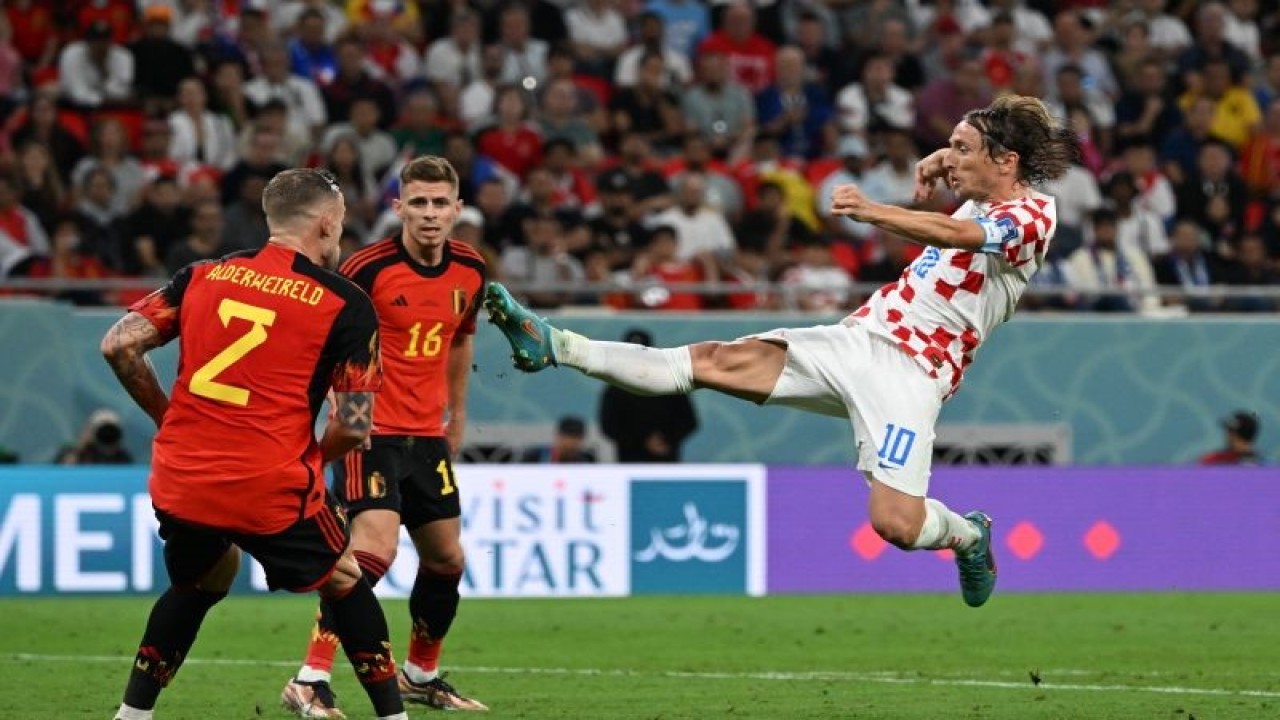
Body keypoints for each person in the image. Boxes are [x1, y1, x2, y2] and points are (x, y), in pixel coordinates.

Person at [485, 95, 1079, 608]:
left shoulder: (1034, 214)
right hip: (857, 339)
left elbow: (958, 234)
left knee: (895, 524)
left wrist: (874, 211)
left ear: (1007, 162)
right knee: (709, 361)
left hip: (914, 371)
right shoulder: (982, 176)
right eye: (950, 146)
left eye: (963, 150)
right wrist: (940, 159)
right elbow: (959, 177)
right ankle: (557, 344)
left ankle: (969, 537)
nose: (950, 159)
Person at [101, 168, 407, 720]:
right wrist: (315, 457)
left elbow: (119, 345)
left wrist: (166, 419)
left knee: (203, 580)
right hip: (268, 484)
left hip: (182, 477)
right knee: (344, 579)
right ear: (328, 223)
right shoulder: (344, 302)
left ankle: (131, 715)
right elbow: (356, 423)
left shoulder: (202, 275)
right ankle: (394, 716)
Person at [282, 156, 488, 717]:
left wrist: (458, 418)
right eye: (417, 202)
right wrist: (339, 411)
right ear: (398, 207)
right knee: (372, 551)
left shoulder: (471, 268)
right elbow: (322, 335)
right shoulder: (366, 269)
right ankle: (310, 677)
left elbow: (461, 339)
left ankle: (420, 674)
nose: (429, 214)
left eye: (439, 203)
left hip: (427, 436)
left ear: (457, 209)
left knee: (446, 561)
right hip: (370, 431)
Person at [598, 329, 699, 463]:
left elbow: (689, 421)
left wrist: (666, 439)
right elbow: (609, 426)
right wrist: (642, 441)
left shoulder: (671, 382)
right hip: (630, 462)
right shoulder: (615, 389)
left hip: (666, 461)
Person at [54, 408, 133, 464]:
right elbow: (60, 473)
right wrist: (80, 446)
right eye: (102, 430)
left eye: (110, 431)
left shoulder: (123, 458)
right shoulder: (76, 454)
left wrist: (111, 449)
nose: (107, 434)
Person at [521, 415, 597, 463]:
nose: (571, 447)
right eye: (566, 447)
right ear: (558, 436)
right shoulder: (535, 457)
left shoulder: (587, 460)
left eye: (574, 446)